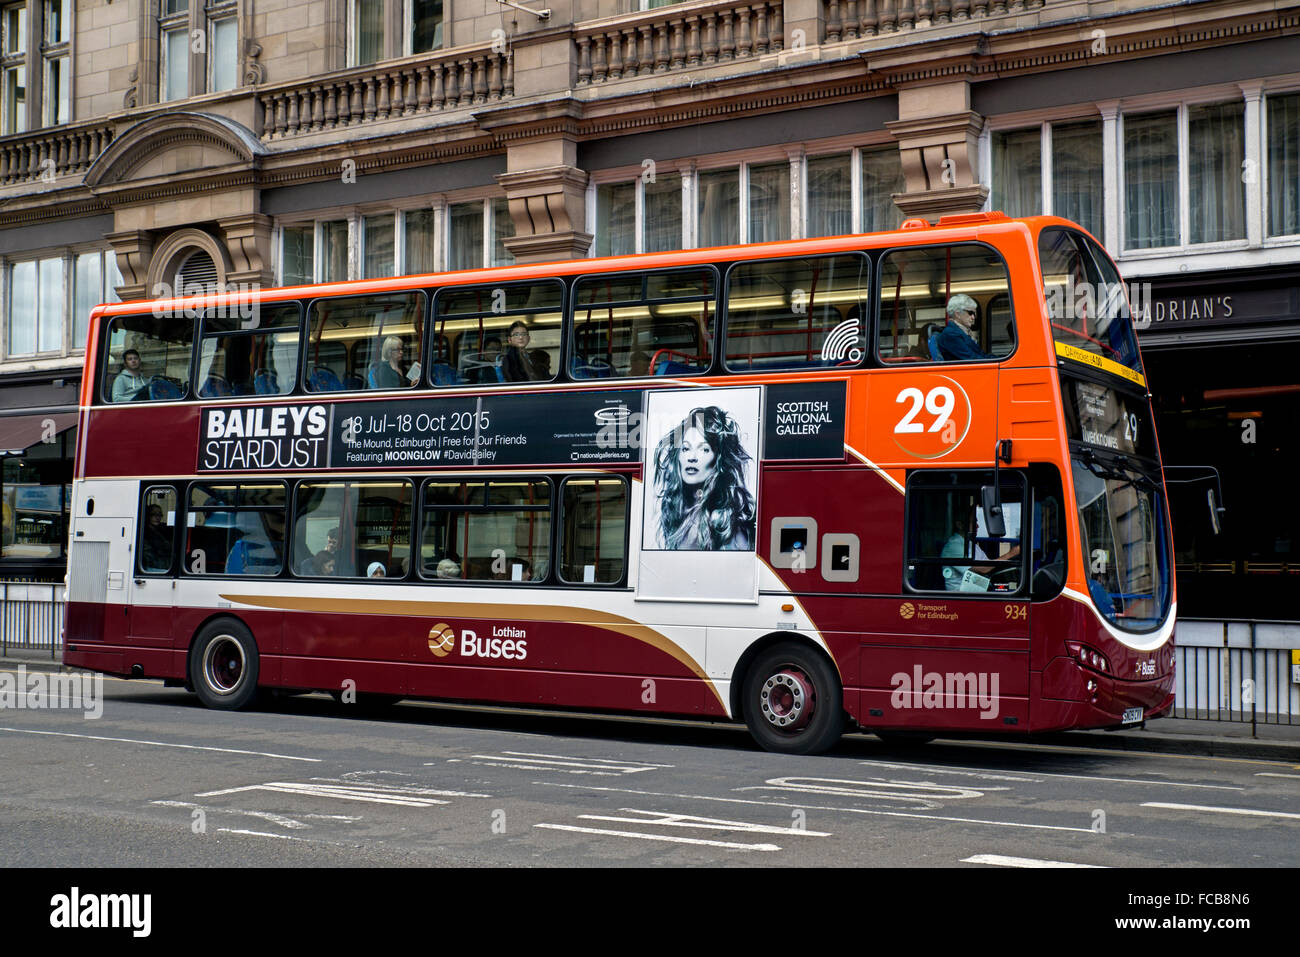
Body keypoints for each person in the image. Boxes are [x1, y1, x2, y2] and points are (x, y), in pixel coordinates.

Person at [651, 406, 755, 550]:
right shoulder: (677, 515)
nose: (692, 457)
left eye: (704, 449)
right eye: (686, 448)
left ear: (718, 460)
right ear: (678, 456)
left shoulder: (725, 524)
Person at [935, 293, 989, 361]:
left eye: (974, 314)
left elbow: (981, 355)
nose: (973, 317)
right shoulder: (951, 335)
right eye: (970, 313)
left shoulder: (963, 332)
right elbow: (972, 359)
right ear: (958, 314)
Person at [141, 504, 171, 572]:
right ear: (148, 516)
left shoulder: (162, 531)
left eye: (160, 515)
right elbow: (149, 559)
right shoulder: (145, 534)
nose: (157, 518)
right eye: (154, 514)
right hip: (152, 567)